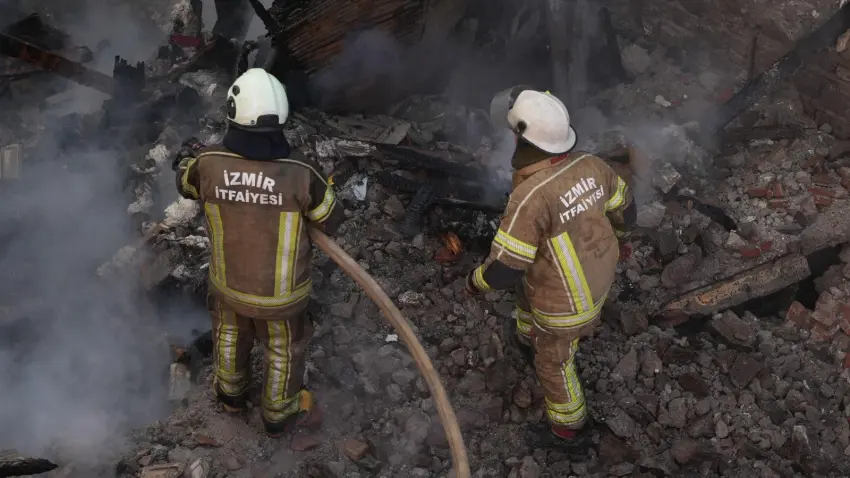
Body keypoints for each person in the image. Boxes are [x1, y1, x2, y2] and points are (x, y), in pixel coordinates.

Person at [464, 86, 635, 452]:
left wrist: (474, 283)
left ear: (523, 140)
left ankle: (570, 430)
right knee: (530, 287)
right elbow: (626, 211)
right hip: (600, 277)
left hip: (566, 308)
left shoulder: (531, 198)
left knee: (554, 364)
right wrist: (618, 237)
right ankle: (527, 335)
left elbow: (506, 270)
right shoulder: (592, 165)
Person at [174, 68, 343, 437]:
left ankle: (230, 395)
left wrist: (185, 159)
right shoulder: (302, 172)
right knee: (283, 350)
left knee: (230, 336)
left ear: (233, 111)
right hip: (281, 298)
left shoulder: (208, 164)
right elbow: (330, 218)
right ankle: (278, 414)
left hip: (228, 288)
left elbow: (184, 181)